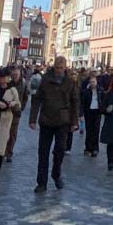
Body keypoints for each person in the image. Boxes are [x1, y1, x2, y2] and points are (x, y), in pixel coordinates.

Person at [28, 56, 79, 192]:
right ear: (54, 67)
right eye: (56, 67)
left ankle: (56, 174)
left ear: (65, 68)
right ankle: (41, 183)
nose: (58, 70)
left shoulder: (70, 82)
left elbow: (75, 102)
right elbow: (37, 99)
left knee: (60, 150)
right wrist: (32, 119)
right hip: (46, 120)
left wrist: (75, 122)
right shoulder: (45, 80)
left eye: (61, 68)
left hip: (63, 121)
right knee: (43, 152)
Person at [5, 65, 29, 163]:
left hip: (16, 113)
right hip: (6, 111)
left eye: (16, 74)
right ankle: (2, 151)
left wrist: (21, 108)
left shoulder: (23, 85)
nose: (15, 75)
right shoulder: (8, 84)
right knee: (4, 132)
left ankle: (9, 153)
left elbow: (26, 97)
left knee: (12, 134)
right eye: (13, 74)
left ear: (19, 74)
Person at [81, 72, 104, 157]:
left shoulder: (100, 90)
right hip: (89, 112)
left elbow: (104, 100)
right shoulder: (86, 91)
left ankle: (95, 149)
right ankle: (88, 148)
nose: (92, 83)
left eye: (94, 82)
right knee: (89, 131)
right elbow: (83, 103)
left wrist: (103, 109)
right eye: (91, 82)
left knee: (96, 131)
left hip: (97, 112)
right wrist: (81, 113)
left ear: (96, 82)